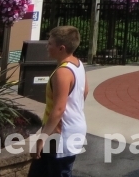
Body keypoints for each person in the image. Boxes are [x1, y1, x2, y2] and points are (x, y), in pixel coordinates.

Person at [30, 26, 88, 177]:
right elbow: (85, 91)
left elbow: (58, 109)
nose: (47, 47)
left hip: (61, 134)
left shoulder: (62, 73)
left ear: (61, 48)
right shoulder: (78, 64)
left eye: (50, 44)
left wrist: (42, 138)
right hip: (73, 128)